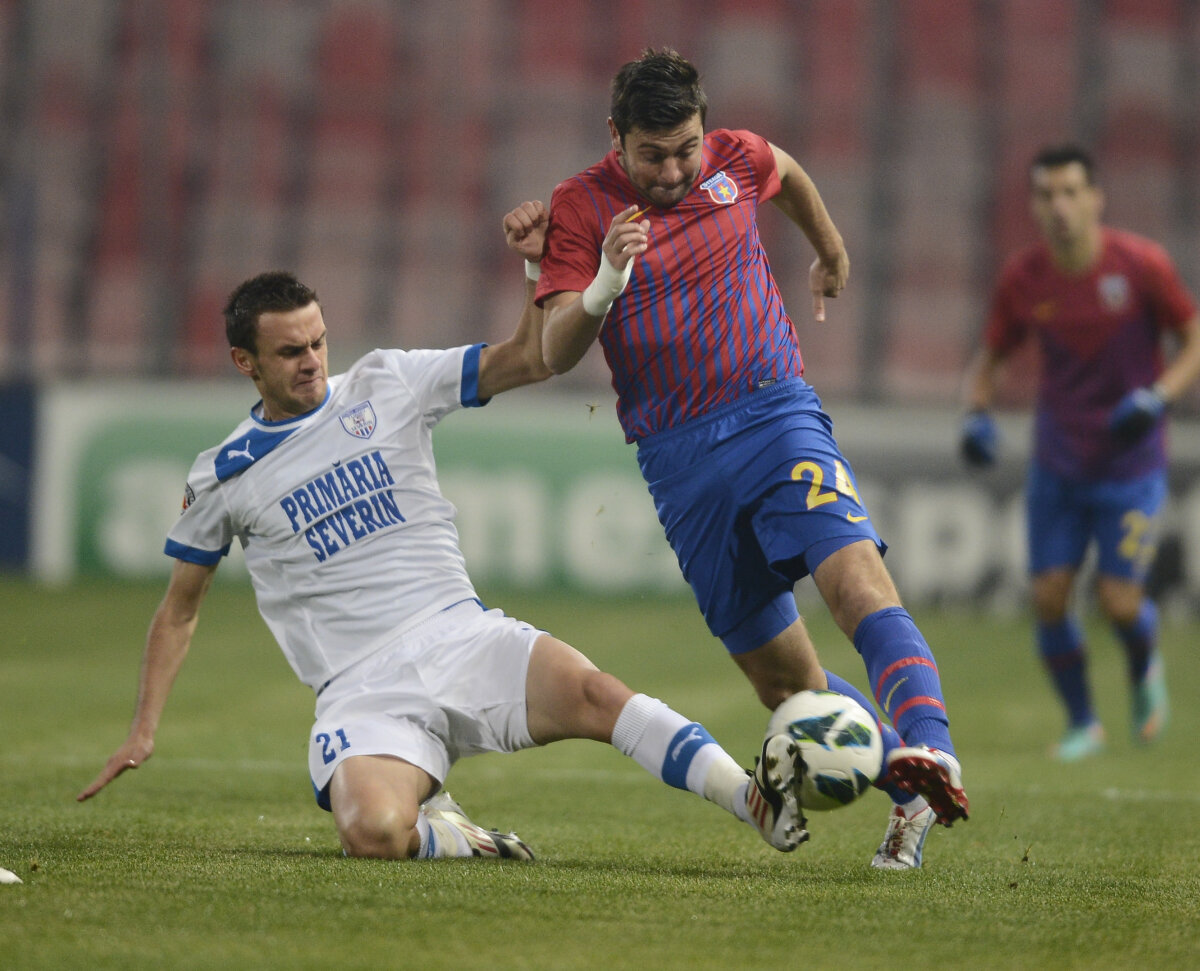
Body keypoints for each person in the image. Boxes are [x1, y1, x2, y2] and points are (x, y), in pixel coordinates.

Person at [76, 202, 815, 861]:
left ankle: (754, 802)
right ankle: (455, 833)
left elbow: (527, 358)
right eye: (290, 351)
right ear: (245, 362)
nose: (313, 362)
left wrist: (537, 267)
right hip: (361, 688)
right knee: (371, 833)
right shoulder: (223, 474)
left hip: (461, 635)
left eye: (318, 341)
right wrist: (143, 730)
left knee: (598, 693)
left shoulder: (386, 383)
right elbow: (180, 607)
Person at [534, 48, 968, 870]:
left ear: (705, 130)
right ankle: (906, 789)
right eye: (652, 153)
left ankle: (934, 748)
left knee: (855, 582)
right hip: (677, 460)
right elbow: (556, 351)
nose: (672, 170)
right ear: (614, 138)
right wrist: (603, 281)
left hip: (776, 414)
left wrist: (830, 249)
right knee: (786, 685)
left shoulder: (737, 156)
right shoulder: (580, 207)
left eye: (684, 149)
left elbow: (790, 172)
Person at [960, 143, 1200, 761]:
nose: (1060, 205)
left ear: (1096, 198)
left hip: (1130, 464)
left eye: (1071, 192)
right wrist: (976, 414)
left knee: (1119, 601)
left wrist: (1157, 396)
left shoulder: (1141, 265)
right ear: (1035, 206)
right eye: (1047, 194)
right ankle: (1083, 724)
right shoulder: (1024, 278)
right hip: (1059, 462)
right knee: (1047, 597)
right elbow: (990, 357)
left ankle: (1145, 670)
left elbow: (1192, 337)